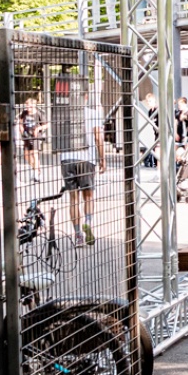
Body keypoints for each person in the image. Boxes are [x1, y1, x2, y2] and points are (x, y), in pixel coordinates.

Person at [55, 69, 106, 247]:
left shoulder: (63, 113)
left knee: (73, 199)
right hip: (86, 159)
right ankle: (88, 223)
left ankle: (77, 235)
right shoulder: (92, 113)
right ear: (86, 97)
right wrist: (102, 159)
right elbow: (98, 137)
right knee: (88, 196)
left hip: (67, 159)